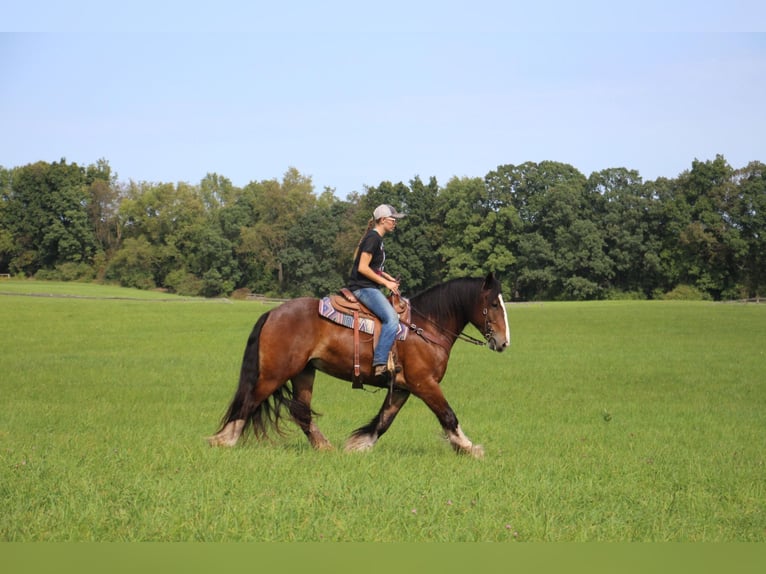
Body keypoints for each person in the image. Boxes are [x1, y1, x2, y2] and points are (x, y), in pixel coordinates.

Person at [347, 204, 407, 377]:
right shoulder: (373, 239)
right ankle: (380, 362)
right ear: (382, 220)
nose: (395, 222)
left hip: (369, 286)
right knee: (392, 318)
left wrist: (387, 277)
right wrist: (386, 284)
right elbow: (363, 268)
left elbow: (374, 268)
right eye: (392, 219)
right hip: (362, 288)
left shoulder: (377, 239)